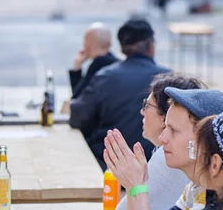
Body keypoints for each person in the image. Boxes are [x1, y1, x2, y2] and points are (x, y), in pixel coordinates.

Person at [69, 18, 169, 170]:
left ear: (122, 48)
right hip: (154, 166)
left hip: (108, 166)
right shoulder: (168, 80)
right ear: (151, 46)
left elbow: (77, 117)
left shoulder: (105, 77)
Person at [112, 74, 203, 210]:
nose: (142, 111)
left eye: (146, 105)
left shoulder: (170, 156)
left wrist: (134, 186)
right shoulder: (191, 191)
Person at [69, 23, 118, 99]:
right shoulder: (117, 63)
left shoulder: (98, 64)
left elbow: (78, 98)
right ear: (109, 43)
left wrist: (77, 67)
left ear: (87, 44)